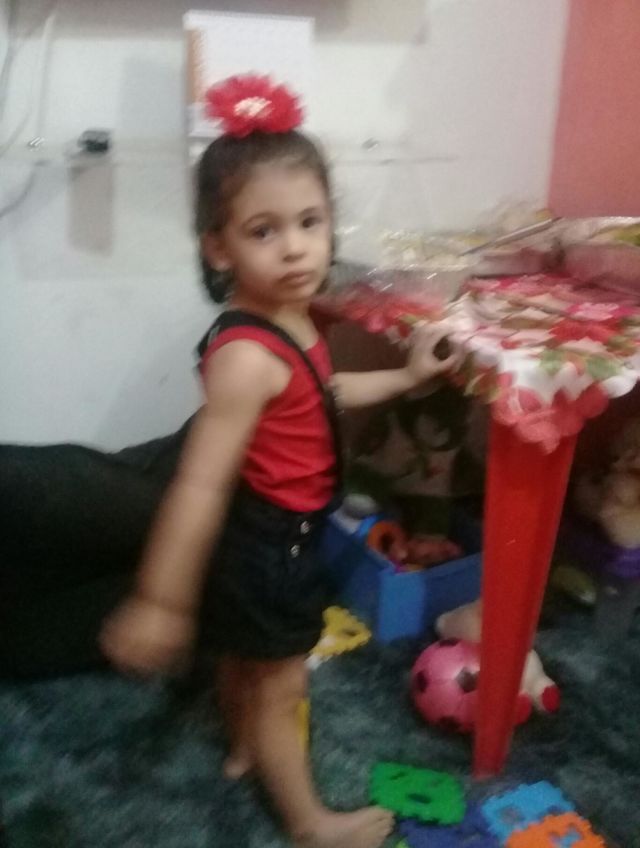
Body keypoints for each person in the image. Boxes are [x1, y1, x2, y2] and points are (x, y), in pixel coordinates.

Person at [101, 74, 457, 848]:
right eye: (264, 231)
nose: (296, 247)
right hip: (271, 544)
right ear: (217, 246)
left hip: (275, 534)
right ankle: (306, 823)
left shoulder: (292, 316)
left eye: (309, 222)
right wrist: (160, 599)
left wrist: (406, 377)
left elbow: (323, 394)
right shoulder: (247, 356)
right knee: (281, 684)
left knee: (245, 659)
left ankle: (242, 746)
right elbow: (199, 484)